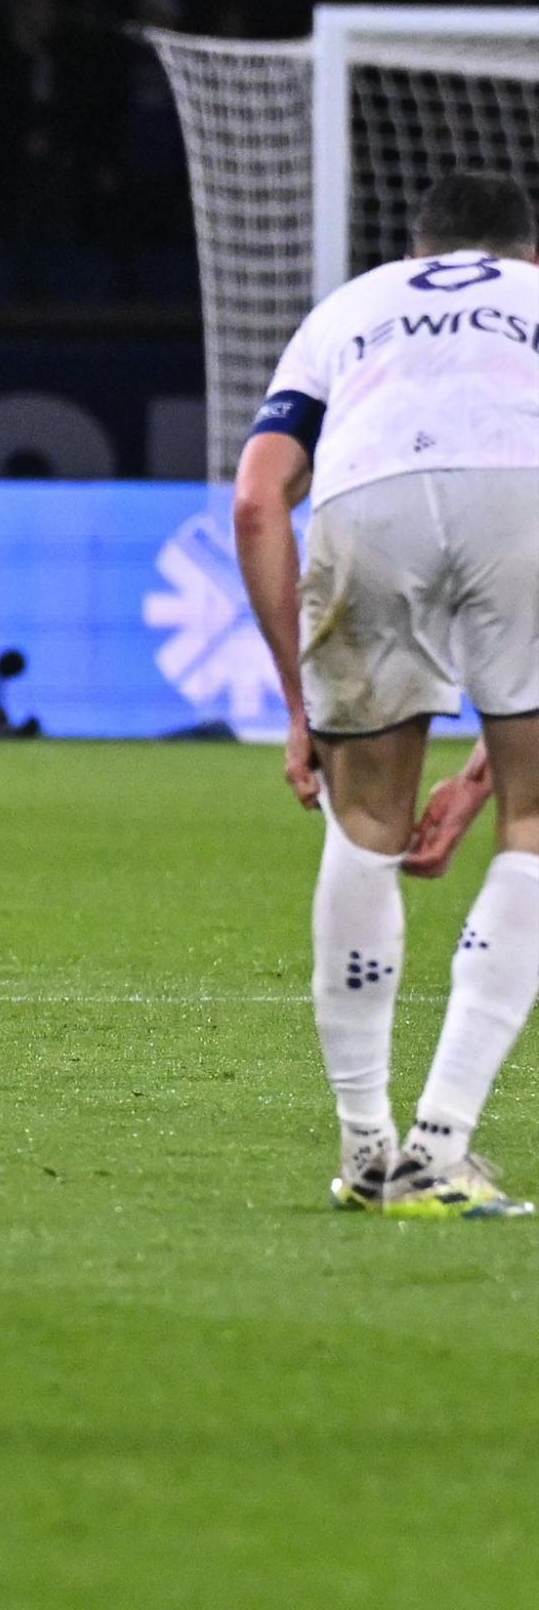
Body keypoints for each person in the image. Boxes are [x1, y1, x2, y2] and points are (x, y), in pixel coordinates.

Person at [234, 171, 539, 1218]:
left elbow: (254, 497)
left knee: (364, 826)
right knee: (535, 825)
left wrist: (296, 704)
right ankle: (438, 1144)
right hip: (525, 482)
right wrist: (493, 779)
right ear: (524, 253)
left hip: (365, 497)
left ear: (420, 249)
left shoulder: (349, 308)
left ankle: (365, 1148)